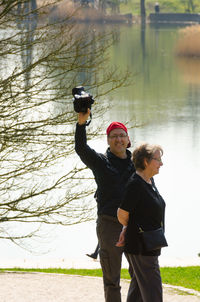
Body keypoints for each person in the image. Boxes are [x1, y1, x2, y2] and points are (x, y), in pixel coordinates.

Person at [75, 108, 135, 302]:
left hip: (135, 225)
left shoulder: (138, 163)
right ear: (108, 140)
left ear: (128, 139)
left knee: (140, 274)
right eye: (114, 136)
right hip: (109, 225)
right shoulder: (101, 162)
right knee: (111, 280)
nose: (118, 139)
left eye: (121, 136)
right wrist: (81, 123)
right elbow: (81, 148)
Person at [117, 143, 166, 302]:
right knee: (153, 294)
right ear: (146, 161)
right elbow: (122, 214)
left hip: (149, 245)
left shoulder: (149, 181)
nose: (161, 163)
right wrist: (129, 227)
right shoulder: (135, 184)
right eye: (158, 159)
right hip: (141, 247)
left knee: (137, 293)